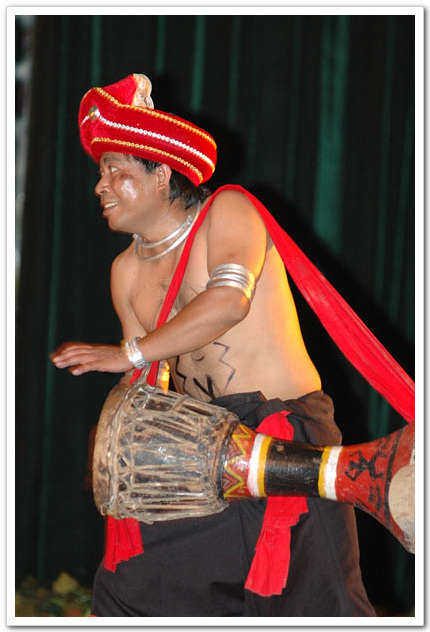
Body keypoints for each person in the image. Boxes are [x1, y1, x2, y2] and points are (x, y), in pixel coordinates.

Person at [51, 73, 376, 616]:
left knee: (320, 606)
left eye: (116, 171)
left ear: (161, 174)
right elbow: (145, 384)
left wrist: (128, 354)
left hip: (284, 429)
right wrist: (114, 438)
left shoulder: (228, 211)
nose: (100, 187)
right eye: (99, 173)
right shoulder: (125, 271)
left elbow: (228, 302)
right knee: (132, 594)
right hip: (193, 453)